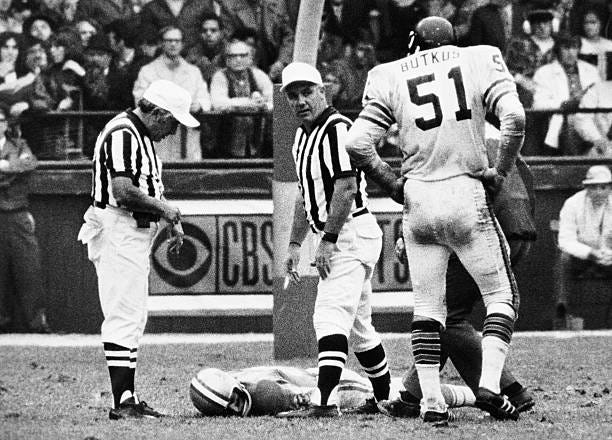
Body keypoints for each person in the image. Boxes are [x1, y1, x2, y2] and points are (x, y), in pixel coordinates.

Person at [344, 16, 526, 424]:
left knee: (428, 309)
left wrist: (392, 184)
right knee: (502, 297)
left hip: (419, 198)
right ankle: (491, 386)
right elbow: (515, 120)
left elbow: (357, 143)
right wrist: (500, 170)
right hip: (465, 190)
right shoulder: (481, 59)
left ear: (414, 43)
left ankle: (431, 402)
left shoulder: (388, 74)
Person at [378, 132, 537, 418]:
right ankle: (412, 396)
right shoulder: (487, 129)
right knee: (449, 314)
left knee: (446, 316)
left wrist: (409, 233)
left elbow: (436, 182)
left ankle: (508, 390)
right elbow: (524, 173)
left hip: (483, 223)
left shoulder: (440, 132)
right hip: (518, 226)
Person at [77, 79, 198, 420]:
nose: (173, 131)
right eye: (173, 122)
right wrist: (165, 209)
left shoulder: (136, 134)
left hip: (129, 230)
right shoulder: (124, 133)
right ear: (158, 114)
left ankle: (127, 397)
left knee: (132, 316)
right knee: (124, 316)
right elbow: (123, 191)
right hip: (118, 227)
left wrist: (164, 215)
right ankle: (123, 401)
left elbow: (141, 186)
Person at [276, 62, 391, 418]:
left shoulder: (338, 129)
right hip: (340, 232)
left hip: (349, 231)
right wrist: (295, 244)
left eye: (307, 92)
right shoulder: (302, 136)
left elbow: (346, 187)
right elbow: (303, 193)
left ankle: (324, 401)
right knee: (358, 326)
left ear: (323, 90)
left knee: (328, 316)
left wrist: (327, 239)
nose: (300, 101)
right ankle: (385, 396)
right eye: (293, 95)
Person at [190, 365, 479, 417]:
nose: (236, 409)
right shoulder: (245, 379)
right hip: (329, 381)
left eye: (233, 401)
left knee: (403, 398)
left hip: (337, 385)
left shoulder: (261, 389)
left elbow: (302, 397)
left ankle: (478, 397)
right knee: (402, 394)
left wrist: (296, 401)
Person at [0, 107, 50, 334]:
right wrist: (12, 172)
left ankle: (36, 322)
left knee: (28, 269)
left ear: (5, 124)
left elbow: (29, 163)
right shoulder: (16, 147)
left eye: (0, 120)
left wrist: (7, 167)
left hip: (17, 211)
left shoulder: (19, 144)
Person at [133, 26, 211, 161]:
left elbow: (205, 98)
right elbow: (140, 100)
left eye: (177, 40)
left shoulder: (193, 72)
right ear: (161, 43)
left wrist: (198, 105)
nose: (173, 44)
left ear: (182, 44)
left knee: (189, 174)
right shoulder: (148, 71)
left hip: (187, 133)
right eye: (169, 40)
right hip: (161, 133)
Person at [554, 165, 612, 324]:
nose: (599, 191)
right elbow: (565, 240)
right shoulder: (572, 204)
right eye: (594, 187)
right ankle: (562, 308)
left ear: (610, 187)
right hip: (582, 258)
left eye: (603, 187)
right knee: (564, 259)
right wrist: (590, 253)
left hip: (609, 258)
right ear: (586, 187)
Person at [531, 33, 600, 155]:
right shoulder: (544, 73)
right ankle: (573, 166)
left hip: (592, 117)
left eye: (574, 47)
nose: (571, 52)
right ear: (558, 50)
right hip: (562, 119)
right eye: (566, 48)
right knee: (571, 121)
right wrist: (564, 104)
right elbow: (538, 104)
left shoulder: (591, 71)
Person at [209, 39, 272, 158]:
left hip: (256, 142)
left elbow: (273, 100)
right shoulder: (220, 76)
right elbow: (218, 103)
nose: (238, 59)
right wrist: (249, 103)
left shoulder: (259, 75)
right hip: (226, 143)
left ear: (250, 58)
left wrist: (264, 105)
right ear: (227, 60)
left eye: (243, 55)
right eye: (233, 56)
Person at [217, 0, 295, 81]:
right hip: (244, 70)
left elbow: (288, 35)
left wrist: (281, 62)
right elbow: (229, 43)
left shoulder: (278, 2)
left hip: (278, 68)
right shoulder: (228, 6)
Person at [573, 71, 612, 157]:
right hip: (604, 148)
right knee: (596, 169)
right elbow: (582, 118)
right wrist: (597, 139)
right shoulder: (598, 89)